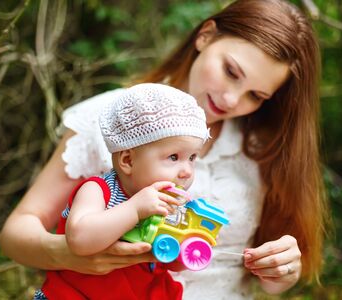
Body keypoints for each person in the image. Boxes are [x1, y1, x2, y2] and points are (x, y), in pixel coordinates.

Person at [0, 0, 328, 298]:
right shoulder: (108, 119)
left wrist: (283, 268)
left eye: (256, 95)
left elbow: (267, 280)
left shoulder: (264, 149)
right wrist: (64, 253)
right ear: (205, 36)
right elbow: (16, 233)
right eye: (230, 72)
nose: (231, 100)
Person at [35, 83, 210, 299]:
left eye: (192, 158)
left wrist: (184, 251)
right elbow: (79, 239)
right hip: (81, 293)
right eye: (173, 157)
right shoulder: (99, 190)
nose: (186, 171)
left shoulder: (167, 203)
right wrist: (134, 209)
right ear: (128, 160)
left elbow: (164, 259)